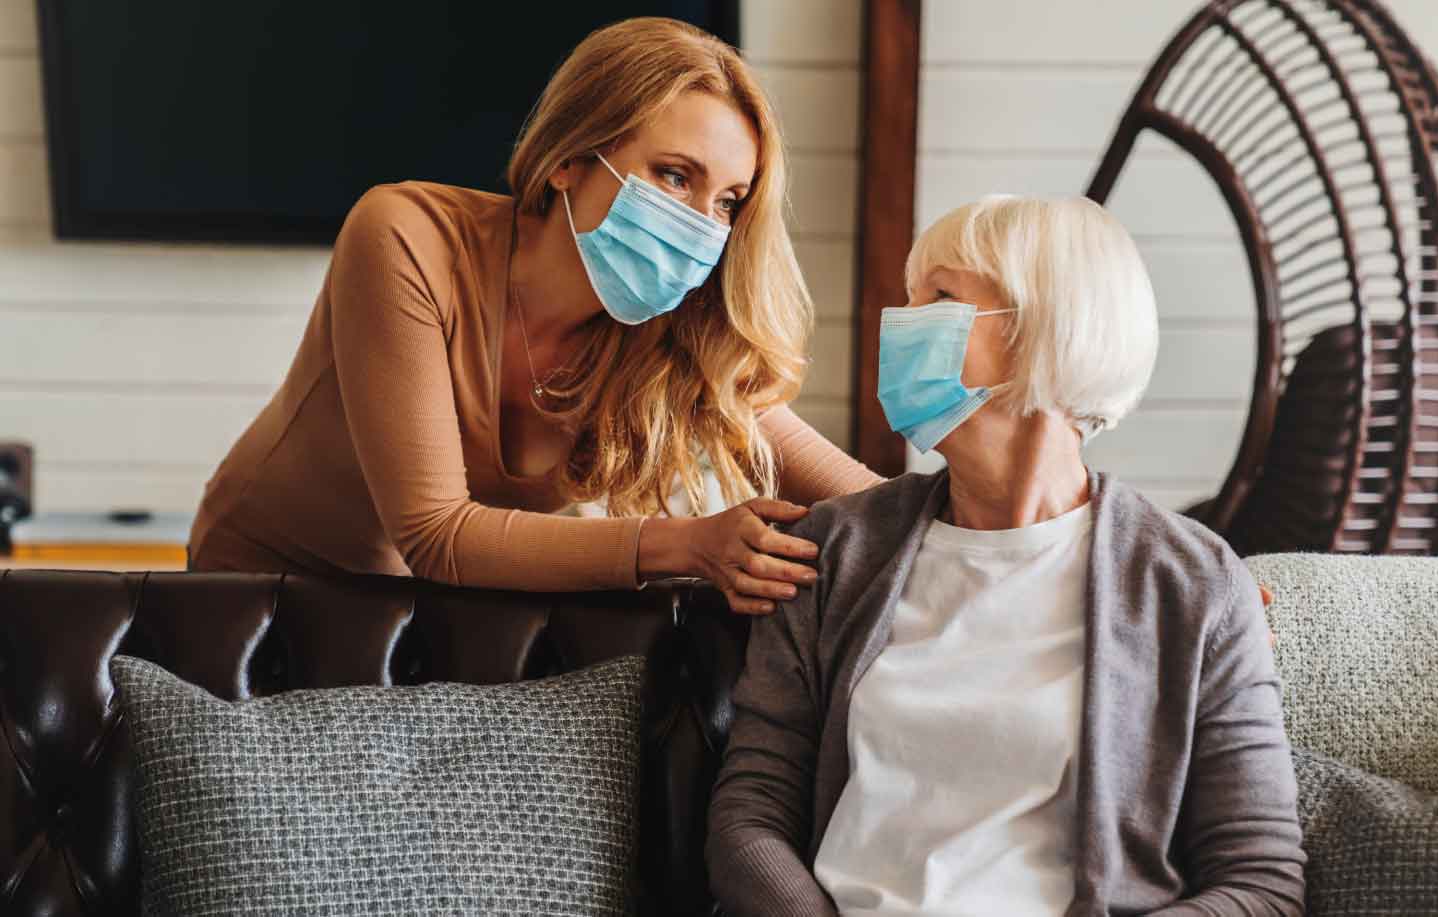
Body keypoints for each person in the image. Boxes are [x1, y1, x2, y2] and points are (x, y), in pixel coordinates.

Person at [707, 195, 1306, 915]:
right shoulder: (831, 554)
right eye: (908, 298)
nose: (897, 323)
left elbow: (1263, 884)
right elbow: (748, 819)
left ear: (1038, 330)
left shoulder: (1194, 584)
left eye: (939, 297)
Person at [187, 17, 883, 611]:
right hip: (263, 591)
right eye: (675, 175)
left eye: (728, 201)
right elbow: (437, 533)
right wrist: (690, 545)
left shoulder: (673, 329)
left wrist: (964, 518)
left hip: (435, 613)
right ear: (569, 159)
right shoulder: (405, 238)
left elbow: (850, 491)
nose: (702, 225)